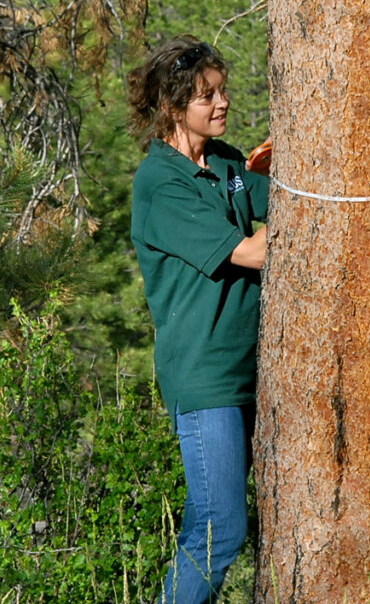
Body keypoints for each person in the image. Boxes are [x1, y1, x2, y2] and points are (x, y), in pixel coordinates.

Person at [127, 35, 269, 604]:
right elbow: (255, 252)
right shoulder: (160, 183)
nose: (223, 103)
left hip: (257, 370)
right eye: (206, 96)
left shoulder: (228, 162)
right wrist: (314, 198)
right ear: (172, 107)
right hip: (206, 378)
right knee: (219, 527)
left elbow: (273, 199)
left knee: (238, 525)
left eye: (222, 90)